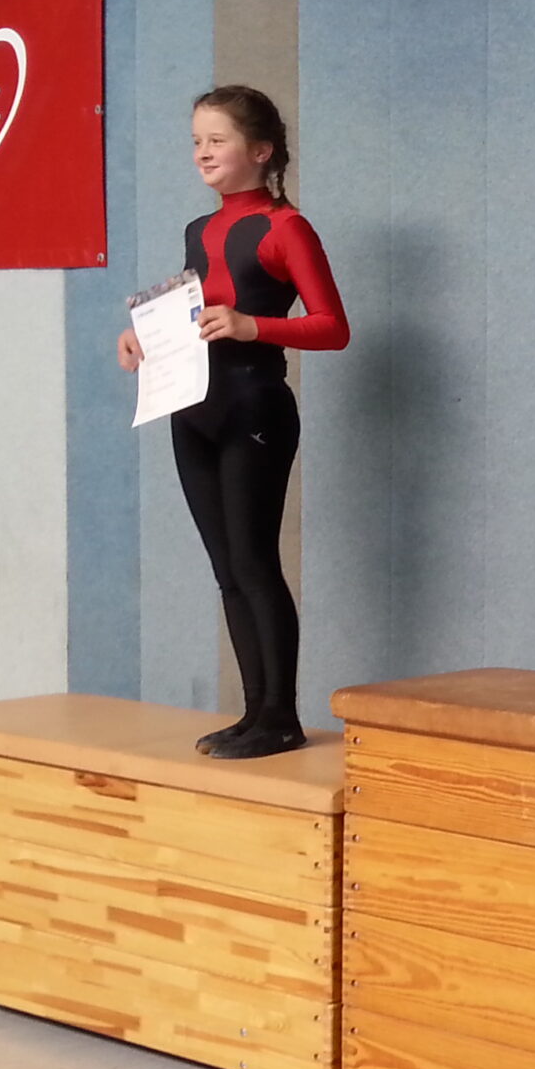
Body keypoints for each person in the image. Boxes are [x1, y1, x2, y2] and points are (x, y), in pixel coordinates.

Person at [119, 85, 348, 760]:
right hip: (193, 409)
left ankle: (281, 717)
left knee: (254, 562)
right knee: (226, 569)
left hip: (254, 406)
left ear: (261, 150)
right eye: (196, 140)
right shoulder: (199, 230)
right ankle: (253, 712)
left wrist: (254, 326)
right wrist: (142, 336)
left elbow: (332, 326)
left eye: (217, 140)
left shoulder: (286, 228)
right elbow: (192, 314)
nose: (202, 152)